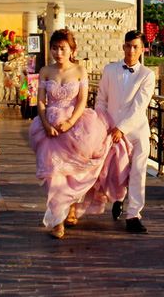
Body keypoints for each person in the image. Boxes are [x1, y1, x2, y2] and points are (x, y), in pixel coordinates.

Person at [29, 29, 130, 238]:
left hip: (75, 124)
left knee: (75, 172)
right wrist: (46, 123)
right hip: (49, 126)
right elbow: (40, 100)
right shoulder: (46, 70)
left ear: (72, 49)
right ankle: (57, 221)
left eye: (63, 48)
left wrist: (70, 122)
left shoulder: (79, 70)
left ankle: (72, 208)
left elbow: (83, 100)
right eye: (54, 48)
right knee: (52, 174)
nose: (58, 52)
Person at [95, 30, 156, 234]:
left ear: (142, 50)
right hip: (111, 130)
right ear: (123, 46)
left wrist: (123, 128)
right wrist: (102, 123)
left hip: (136, 131)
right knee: (114, 171)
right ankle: (118, 199)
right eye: (128, 45)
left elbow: (140, 106)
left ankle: (134, 215)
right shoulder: (110, 70)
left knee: (138, 172)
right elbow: (101, 99)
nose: (131, 50)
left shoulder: (147, 74)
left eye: (136, 47)